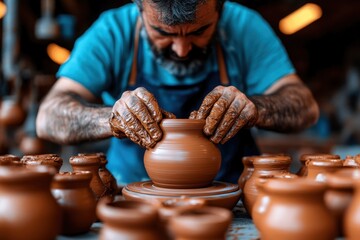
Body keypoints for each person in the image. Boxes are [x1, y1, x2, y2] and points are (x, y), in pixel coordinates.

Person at [36, 0, 319, 186]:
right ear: (140, 10)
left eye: (199, 31)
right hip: (131, 192)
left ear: (219, 9)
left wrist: (257, 108)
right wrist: (111, 119)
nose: (181, 49)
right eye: (163, 32)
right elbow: (48, 117)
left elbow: (305, 107)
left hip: (230, 194)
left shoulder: (244, 26)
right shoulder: (112, 31)